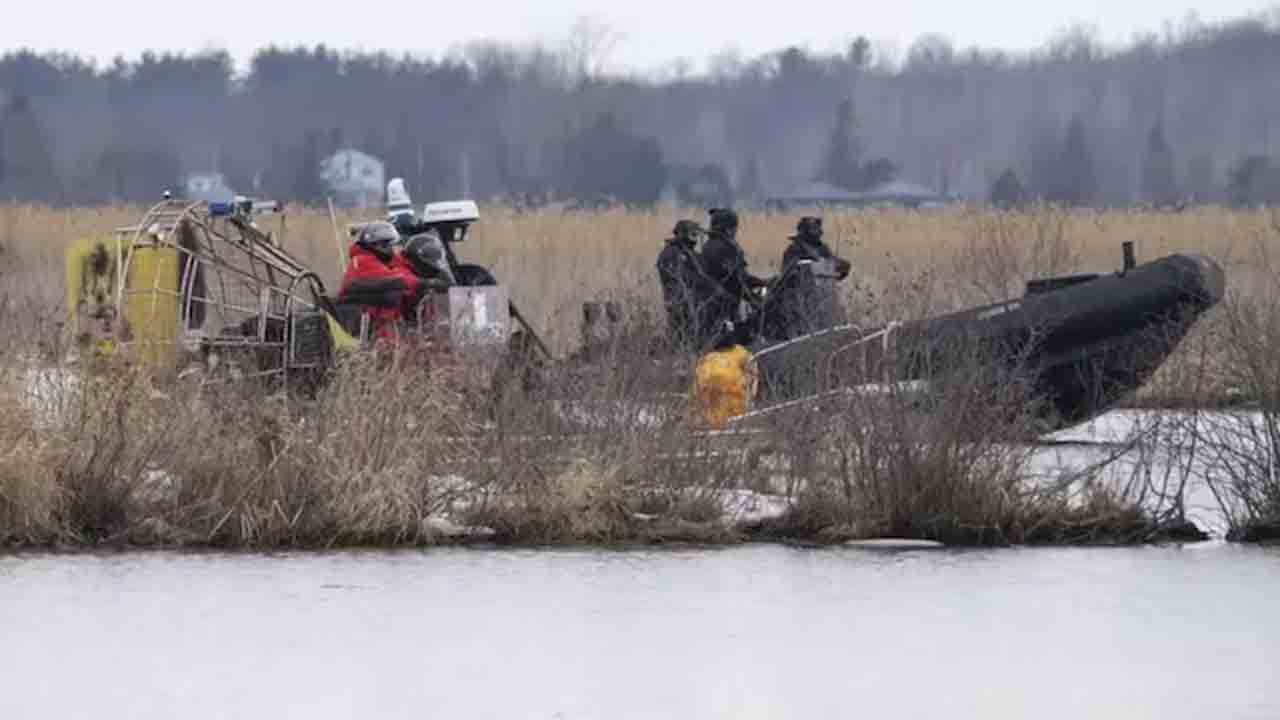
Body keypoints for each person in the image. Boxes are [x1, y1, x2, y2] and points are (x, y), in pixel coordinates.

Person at [336, 221, 425, 342]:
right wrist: (422, 283)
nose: (391, 250)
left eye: (391, 245)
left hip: (377, 325)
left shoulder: (379, 260)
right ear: (377, 245)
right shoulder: (363, 261)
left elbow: (401, 265)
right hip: (364, 329)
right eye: (387, 245)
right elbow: (396, 279)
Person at [772, 216, 852, 338]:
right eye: (812, 229)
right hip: (801, 299)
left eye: (817, 229)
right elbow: (787, 273)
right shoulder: (794, 249)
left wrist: (842, 266)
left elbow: (833, 263)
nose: (816, 232)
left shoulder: (822, 249)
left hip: (822, 298)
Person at [700, 208, 769, 346]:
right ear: (729, 228)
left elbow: (740, 277)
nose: (735, 231)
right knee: (725, 340)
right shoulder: (721, 247)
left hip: (724, 302)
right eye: (734, 227)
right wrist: (752, 298)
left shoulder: (714, 245)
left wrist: (762, 282)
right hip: (721, 304)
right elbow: (735, 279)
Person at [656, 219, 716, 351]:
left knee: (695, 339)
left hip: (696, 304)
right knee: (682, 339)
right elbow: (681, 277)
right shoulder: (671, 253)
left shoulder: (692, 254)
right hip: (680, 303)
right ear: (682, 234)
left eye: (697, 234)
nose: (695, 239)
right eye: (692, 234)